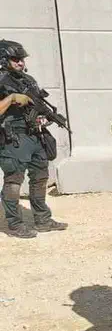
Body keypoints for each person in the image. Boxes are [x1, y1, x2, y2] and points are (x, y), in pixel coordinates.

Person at [0, 40, 68, 238]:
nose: (20, 63)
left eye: (22, 59)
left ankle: (42, 219)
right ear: (3, 60)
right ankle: (14, 224)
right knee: (14, 182)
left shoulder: (27, 80)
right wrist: (11, 98)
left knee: (40, 177)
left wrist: (45, 117)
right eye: (15, 59)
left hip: (34, 135)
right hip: (13, 139)